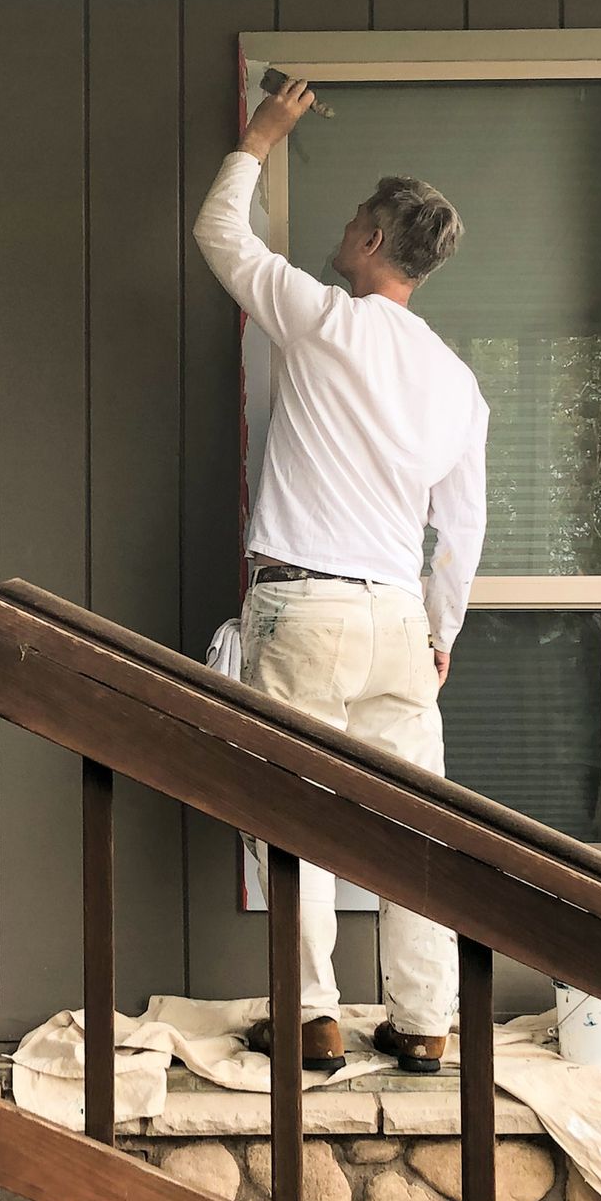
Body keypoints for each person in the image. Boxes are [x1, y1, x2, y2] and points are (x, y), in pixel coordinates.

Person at [193, 75, 487, 1075]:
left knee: (297, 816)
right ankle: (427, 1024)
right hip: (401, 621)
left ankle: (311, 1015)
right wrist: (442, 632)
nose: (343, 231)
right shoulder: (457, 382)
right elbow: (465, 527)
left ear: (370, 244)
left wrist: (262, 135)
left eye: (354, 220)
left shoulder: (322, 318)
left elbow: (221, 236)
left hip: (305, 607)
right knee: (414, 834)